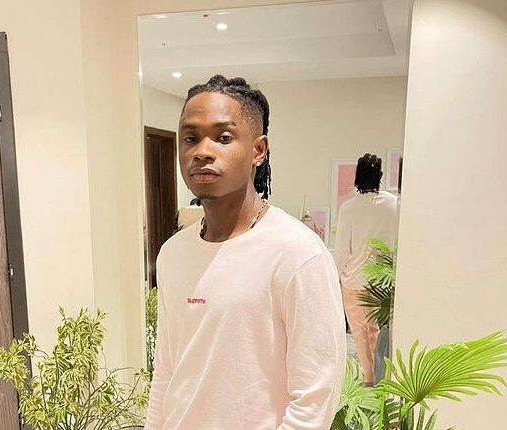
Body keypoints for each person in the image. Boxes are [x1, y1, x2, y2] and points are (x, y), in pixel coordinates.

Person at [144, 75, 346, 430]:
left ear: (258, 150)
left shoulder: (297, 254)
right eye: (190, 138)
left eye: (223, 137)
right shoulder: (173, 253)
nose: (202, 151)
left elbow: (316, 397)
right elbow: (166, 372)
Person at [334, 153, 399, 385]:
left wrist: (334, 278)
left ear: (357, 176)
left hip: (355, 282)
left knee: (361, 334)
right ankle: (384, 378)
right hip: (384, 282)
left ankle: (369, 379)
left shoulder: (349, 208)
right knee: (382, 334)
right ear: (380, 176)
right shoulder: (394, 205)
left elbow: (342, 250)